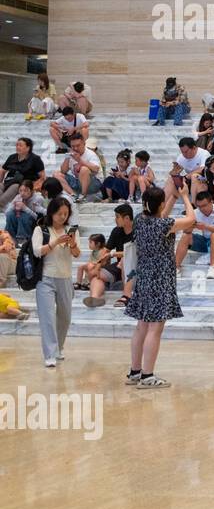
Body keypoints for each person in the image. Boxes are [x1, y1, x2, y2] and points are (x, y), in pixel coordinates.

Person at [123, 187, 197, 386]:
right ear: (161, 204)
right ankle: (148, 375)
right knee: (155, 328)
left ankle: (135, 372)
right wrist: (184, 196)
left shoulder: (140, 219)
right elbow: (190, 219)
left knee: (141, 326)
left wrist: (170, 197)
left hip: (144, 275)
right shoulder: (164, 224)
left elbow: (160, 213)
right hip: (161, 278)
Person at [33, 197, 81, 368]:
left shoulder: (71, 231)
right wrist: (55, 242)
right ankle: (50, 354)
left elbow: (76, 254)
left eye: (65, 214)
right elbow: (38, 251)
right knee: (47, 318)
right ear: (52, 213)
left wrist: (72, 243)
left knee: (65, 317)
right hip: (45, 278)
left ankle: (58, 348)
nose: (62, 217)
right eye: (59, 213)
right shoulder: (41, 230)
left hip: (65, 278)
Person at [84, 203, 134, 308]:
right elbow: (106, 250)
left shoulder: (138, 231)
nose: (115, 220)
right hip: (119, 266)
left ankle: (126, 295)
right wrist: (98, 265)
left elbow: (134, 252)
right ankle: (95, 298)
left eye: (117, 217)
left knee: (124, 260)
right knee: (96, 275)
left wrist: (113, 254)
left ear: (127, 218)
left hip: (136, 267)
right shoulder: (117, 231)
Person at [174, 190, 214, 279]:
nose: (202, 209)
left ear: (211, 202)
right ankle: (176, 267)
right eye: (199, 206)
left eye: (204, 205)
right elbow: (186, 231)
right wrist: (191, 226)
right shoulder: (195, 212)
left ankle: (212, 268)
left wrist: (206, 227)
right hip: (204, 241)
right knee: (186, 236)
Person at [0, 138, 44, 210]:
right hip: (8, 181)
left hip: (21, 185)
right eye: (17, 145)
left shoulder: (35, 159)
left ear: (28, 148)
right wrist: (1, 181)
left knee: (6, 196)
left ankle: (2, 205)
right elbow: (2, 170)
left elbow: (42, 176)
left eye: (20, 145)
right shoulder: (12, 157)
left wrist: (33, 187)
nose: (17, 147)